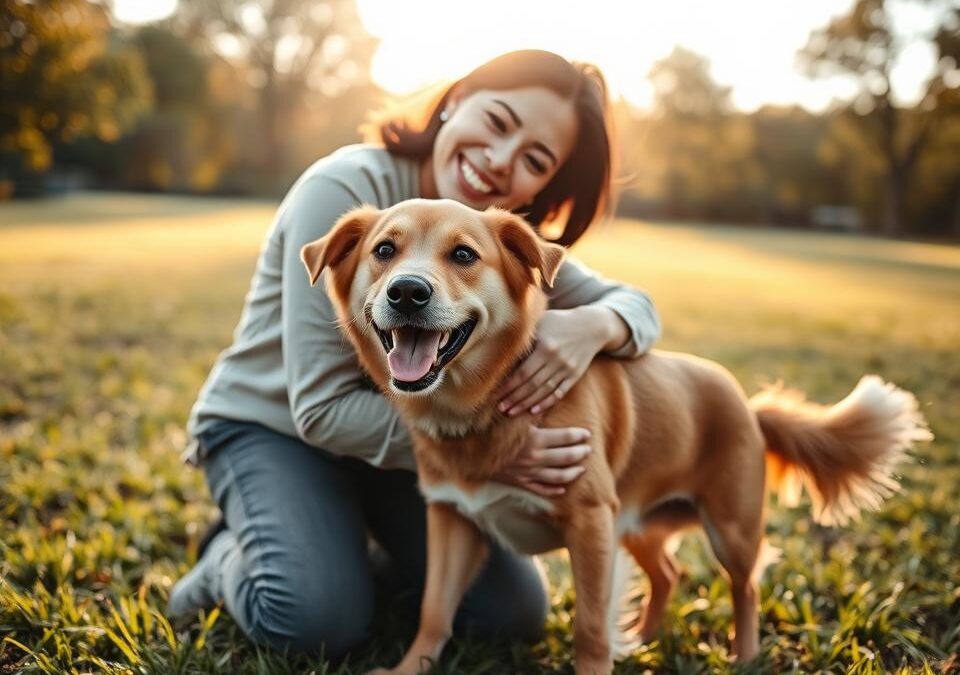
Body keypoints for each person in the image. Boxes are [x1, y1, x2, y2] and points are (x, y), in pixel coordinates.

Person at [166, 49, 661, 659]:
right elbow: (319, 412)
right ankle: (227, 560)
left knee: (510, 613)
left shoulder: (488, 236)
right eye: (499, 122)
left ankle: (340, 542)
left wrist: (592, 324)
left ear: (546, 184)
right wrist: (491, 458)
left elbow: (638, 307)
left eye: (535, 159)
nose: (500, 161)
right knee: (314, 619)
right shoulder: (345, 188)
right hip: (272, 430)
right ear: (455, 101)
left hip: (398, 451)